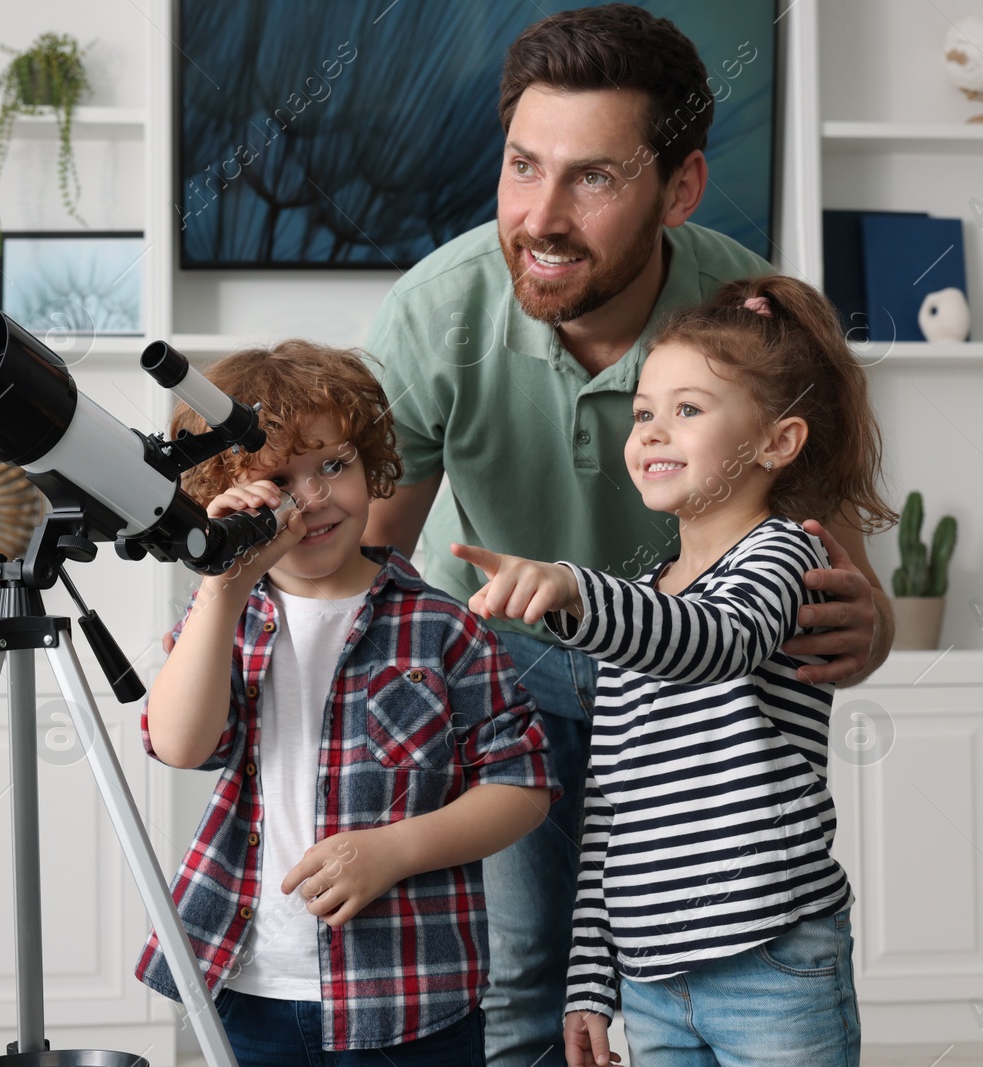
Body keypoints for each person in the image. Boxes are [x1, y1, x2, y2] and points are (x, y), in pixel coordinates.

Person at [360, 7, 894, 1064]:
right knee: (524, 972)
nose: (540, 215)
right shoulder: (432, 315)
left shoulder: (753, 320)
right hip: (505, 667)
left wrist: (866, 625)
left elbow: (828, 579)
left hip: (684, 684)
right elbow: (366, 570)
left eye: (593, 178)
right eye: (522, 165)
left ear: (679, 188)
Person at [454, 274, 896, 1067]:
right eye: (644, 413)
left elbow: (718, 639)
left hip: (772, 957)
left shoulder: (782, 554)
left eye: (688, 410)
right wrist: (591, 981)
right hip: (654, 980)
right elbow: (610, 809)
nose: (652, 433)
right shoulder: (646, 601)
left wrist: (574, 589)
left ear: (778, 442)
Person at [134, 340, 559, 1065]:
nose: (315, 497)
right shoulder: (223, 618)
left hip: (414, 993)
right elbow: (180, 742)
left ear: (371, 463)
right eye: (280, 479)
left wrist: (394, 849)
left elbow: (522, 785)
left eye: (334, 464)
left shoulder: (442, 627)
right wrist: (223, 583)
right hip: (254, 984)